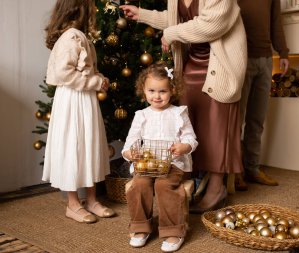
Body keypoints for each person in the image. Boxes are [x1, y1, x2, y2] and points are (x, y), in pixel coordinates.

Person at [120, 0, 247, 213]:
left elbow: (212, 25)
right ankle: (191, 183)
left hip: (220, 65)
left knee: (218, 127)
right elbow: (174, 20)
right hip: (192, 63)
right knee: (188, 125)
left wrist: (170, 34)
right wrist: (141, 14)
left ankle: (217, 188)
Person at [42, 0, 115, 223]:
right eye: (91, 6)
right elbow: (64, 74)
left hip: (84, 99)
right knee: (73, 145)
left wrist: (99, 79)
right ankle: (73, 204)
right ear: (81, 9)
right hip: (73, 100)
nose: (94, 10)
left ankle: (91, 200)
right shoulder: (71, 37)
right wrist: (94, 82)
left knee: (89, 144)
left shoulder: (79, 36)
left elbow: (86, 70)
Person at [122, 63, 198, 252]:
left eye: (162, 91)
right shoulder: (141, 115)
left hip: (173, 164)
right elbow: (131, 140)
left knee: (163, 185)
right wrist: (129, 153)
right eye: (152, 91)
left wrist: (184, 146)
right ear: (143, 90)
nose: (157, 96)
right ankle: (140, 227)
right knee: (139, 184)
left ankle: (173, 230)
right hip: (147, 164)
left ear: (172, 90)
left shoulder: (179, 113)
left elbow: (191, 138)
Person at [235, 0, 290, 191]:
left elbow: (276, 22)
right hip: (240, 59)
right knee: (237, 120)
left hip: (266, 60)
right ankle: (235, 172)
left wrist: (283, 52)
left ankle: (252, 169)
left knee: (257, 120)